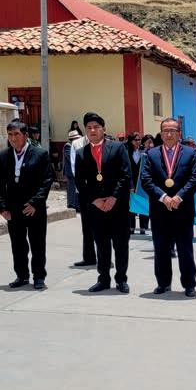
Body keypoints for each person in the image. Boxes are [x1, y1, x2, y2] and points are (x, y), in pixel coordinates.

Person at [140, 117, 196, 296]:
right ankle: (163, 283)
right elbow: (146, 180)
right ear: (160, 134)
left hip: (183, 210)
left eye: (172, 131)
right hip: (160, 210)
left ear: (179, 134)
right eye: (165, 131)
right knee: (161, 249)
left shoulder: (190, 154)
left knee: (185, 249)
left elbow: (194, 179)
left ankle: (189, 285)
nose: (168, 134)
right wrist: (164, 197)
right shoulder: (151, 154)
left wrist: (179, 197)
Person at [74, 113, 132, 294]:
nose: (92, 130)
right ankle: (103, 279)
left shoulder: (117, 148)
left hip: (118, 205)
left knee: (121, 244)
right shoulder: (81, 153)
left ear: (103, 129)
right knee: (101, 244)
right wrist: (95, 200)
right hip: (96, 207)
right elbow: (79, 182)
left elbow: (125, 175)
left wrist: (114, 197)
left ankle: (121, 279)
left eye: (96, 127)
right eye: (89, 128)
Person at [0, 120, 54, 290]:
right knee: (18, 244)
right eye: (10, 135)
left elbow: (47, 181)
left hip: (34, 208)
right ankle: (21, 275)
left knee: (37, 243)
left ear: (25, 135)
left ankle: (39, 276)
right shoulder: (3, 156)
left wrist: (35, 202)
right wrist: (2, 208)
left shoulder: (40, 154)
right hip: (13, 209)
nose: (13, 138)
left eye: (16, 134)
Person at [63, 128, 96, 268]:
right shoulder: (77, 144)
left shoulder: (105, 142)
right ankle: (89, 257)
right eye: (89, 126)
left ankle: (105, 257)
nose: (92, 130)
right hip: (84, 190)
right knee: (87, 225)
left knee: (102, 226)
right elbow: (74, 166)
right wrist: (82, 187)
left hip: (102, 190)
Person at [127, 133, 150, 235]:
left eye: (139, 139)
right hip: (130, 182)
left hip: (142, 182)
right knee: (131, 204)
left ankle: (143, 227)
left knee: (142, 202)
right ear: (131, 141)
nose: (138, 142)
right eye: (135, 140)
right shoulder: (126, 153)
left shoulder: (144, 153)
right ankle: (131, 226)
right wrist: (129, 184)